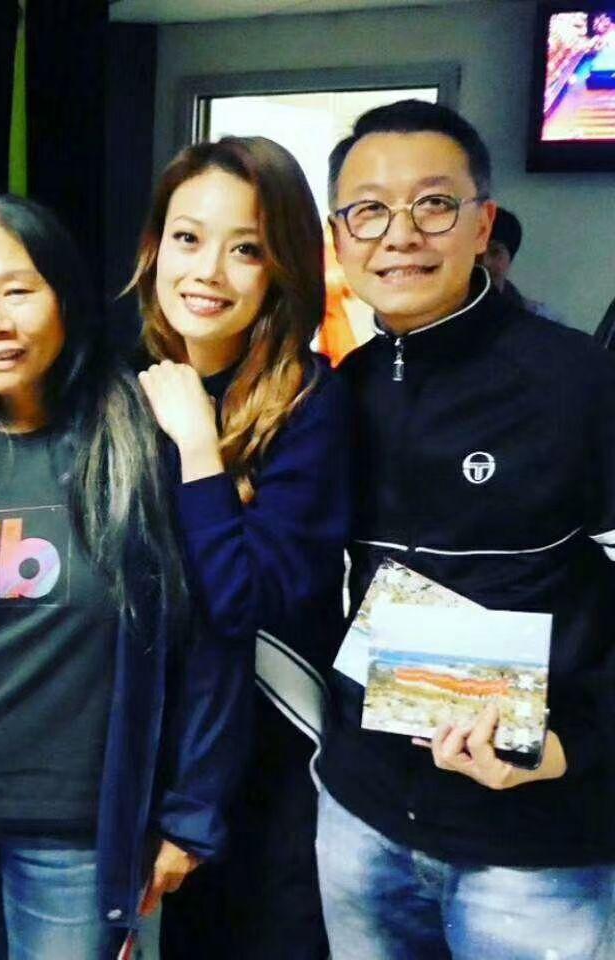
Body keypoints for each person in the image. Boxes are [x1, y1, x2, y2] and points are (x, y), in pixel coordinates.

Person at [0, 193, 252, 959]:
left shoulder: (141, 433)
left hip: (80, 840)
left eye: (18, 291)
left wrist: (191, 816)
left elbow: (214, 640)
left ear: (64, 295)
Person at [320, 98, 615, 959]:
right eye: (368, 210)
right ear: (340, 238)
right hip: (363, 818)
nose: (400, 234)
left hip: (536, 843)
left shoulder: (580, 384)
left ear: (483, 224)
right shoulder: (339, 391)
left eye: (434, 204)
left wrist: (572, 745)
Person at [127, 137, 351, 960]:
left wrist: (197, 447)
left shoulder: (312, 401)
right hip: (164, 749)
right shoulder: (131, 385)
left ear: (282, 266)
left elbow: (243, 598)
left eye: (246, 249)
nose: (208, 272)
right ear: (156, 248)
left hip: (274, 760)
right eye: (188, 238)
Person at [479, 206, 564, 323]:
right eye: (475, 252)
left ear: (510, 260)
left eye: (495, 252)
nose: (485, 262)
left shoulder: (541, 320)